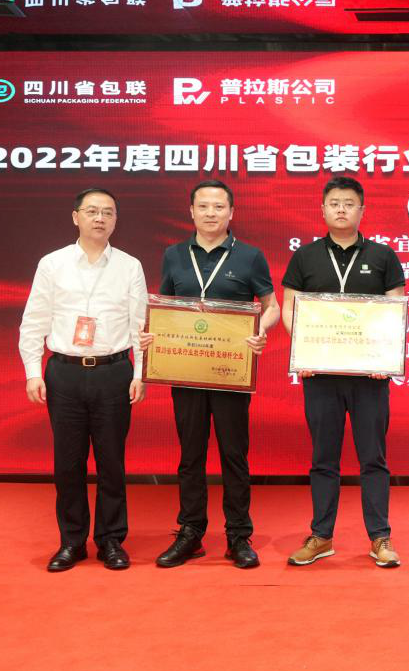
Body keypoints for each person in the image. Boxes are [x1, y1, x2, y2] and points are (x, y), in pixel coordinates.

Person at [143, 181, 280, 569]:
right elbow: (165, 306)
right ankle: (190, 532)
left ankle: (238, 535)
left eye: (218, 207)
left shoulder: (250, 256)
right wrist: (153, 333)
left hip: (229, 370)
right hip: (186, 369)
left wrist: (260, 330)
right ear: (191, 211)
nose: (210, 213)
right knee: (191, 454)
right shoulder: (174, 254)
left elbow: (271, 305)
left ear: (231, 212)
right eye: (203, 206)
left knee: (234, 453)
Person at [18, 188, 147, 572]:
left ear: (116, 220)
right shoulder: (52, 263)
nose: (99, 218)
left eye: (107, 212)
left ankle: (111, 541)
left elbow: (141, 325)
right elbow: (34, 321)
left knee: (111, 462)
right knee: (68, 463)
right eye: (91, 211)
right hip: (65, 373)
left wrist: (140, 372)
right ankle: (71, 542)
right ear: (76, 217)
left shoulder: (129, 266)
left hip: (113, 372)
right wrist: (32, 371)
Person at [281, 177, 407, 568]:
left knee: (374, 458)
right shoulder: (305, 257)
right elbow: (289, 308)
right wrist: (304, 350)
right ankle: (321, 536)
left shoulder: (383, 256)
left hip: (370, 378)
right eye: (334, 202)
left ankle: (380, 537)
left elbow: (395, 310)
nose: (341, 209)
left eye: (349, 203)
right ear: (323, 209)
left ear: (361, 210)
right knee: (324, 458)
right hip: (321, 375)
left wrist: (384, 358)